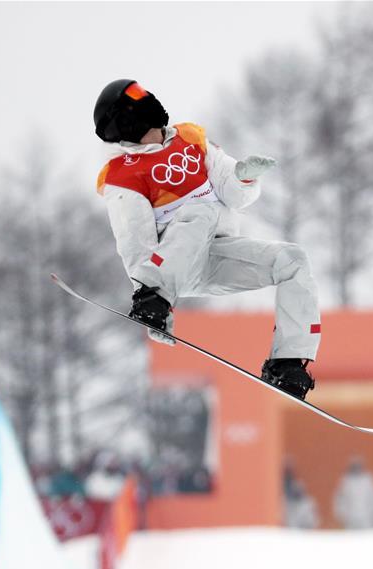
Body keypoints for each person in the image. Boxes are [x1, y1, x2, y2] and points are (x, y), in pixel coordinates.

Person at [93, 79, 320, 399]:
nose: (148, 99)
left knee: (292, 261)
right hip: (173, 263)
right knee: (200, 212)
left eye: (145, 93)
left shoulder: (190, 139)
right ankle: (155, 298)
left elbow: (234, 194)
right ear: (125, 118)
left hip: (217, 253)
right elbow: (133, 239)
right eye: (137, 97)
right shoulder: (123, 174)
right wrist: (150, 299)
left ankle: (287, 364)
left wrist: (243, 176)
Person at [333, 456, 373, 529]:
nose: (356, 468)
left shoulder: (369, 480)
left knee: (367, 538)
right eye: (355, 466)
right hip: (350, 518)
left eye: (358, 466)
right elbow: (339, 499)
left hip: (368, 518)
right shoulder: (345, 481)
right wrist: (342, 514)